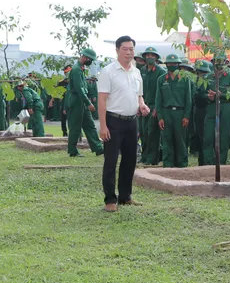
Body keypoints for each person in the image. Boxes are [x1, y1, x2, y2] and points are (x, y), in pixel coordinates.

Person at [98, 36, 150, 212]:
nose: (129, 52)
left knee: (130, 160)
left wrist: (142, 104)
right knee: (111, 161)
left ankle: (125, 196)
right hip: (113, 121)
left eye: (131, 49)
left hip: (132, 121)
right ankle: (110, 200)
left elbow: (139, 95)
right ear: (117, 50)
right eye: (125, 49)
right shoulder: (108, 72)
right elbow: (102, 100)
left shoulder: (136, 72)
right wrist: (103, 126)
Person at [156, 53, 193, 167]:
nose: (172, 65)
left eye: (175, 63)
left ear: (178, 65)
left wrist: (186, 116)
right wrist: (160, 117)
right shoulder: (161, 79)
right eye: (170, 63)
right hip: (166, 113)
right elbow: (158, 99)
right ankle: (168, 164)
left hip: (180, 113)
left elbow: (188, 99)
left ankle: (182, 164)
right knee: (167, 140)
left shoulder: (185, 79)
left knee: (180, 140)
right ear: (166, 65)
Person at [66, 48, 105, 157]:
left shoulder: (81, 69)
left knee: (90, 125)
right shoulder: (76, 69)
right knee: (75, 127)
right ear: (85, 57)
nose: (91, 62)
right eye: (90, 59)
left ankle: (98, 148)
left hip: (82, 101)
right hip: (77, 101)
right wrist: (88, 103)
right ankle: (72, 151)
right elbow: (79, 89)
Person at [141, 47, 166, 164]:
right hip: (142, 105)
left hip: (154, 106)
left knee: (153, 133)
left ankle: (152, 158)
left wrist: (157, 108)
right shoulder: (142, 70)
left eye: (152, 55)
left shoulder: (161, 72)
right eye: (148, 55)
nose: (150, 57)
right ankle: (144, 156)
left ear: (156, 58)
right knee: (143, 132)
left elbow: (162, 92)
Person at [212, 58, 230, 164]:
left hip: (226, 107)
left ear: (226, 63)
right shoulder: (210, 76)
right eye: (216, 62)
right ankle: (210, 162)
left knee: (223, 135)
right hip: (212, 107)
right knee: (211, 136)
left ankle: (221, 161)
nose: (218, 64)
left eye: (221, 61)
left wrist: (222, 95)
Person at [193, 60, 216, 166]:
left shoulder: (210, 81)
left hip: (209, 109)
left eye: (203, 72)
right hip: (198, 110)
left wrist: (208, 97)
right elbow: (195, 95)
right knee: (199, 136)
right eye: (199, 72)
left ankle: (210, 161)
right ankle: (202, 161)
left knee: (208, 137)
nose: (201, 74)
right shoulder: (194, 81)